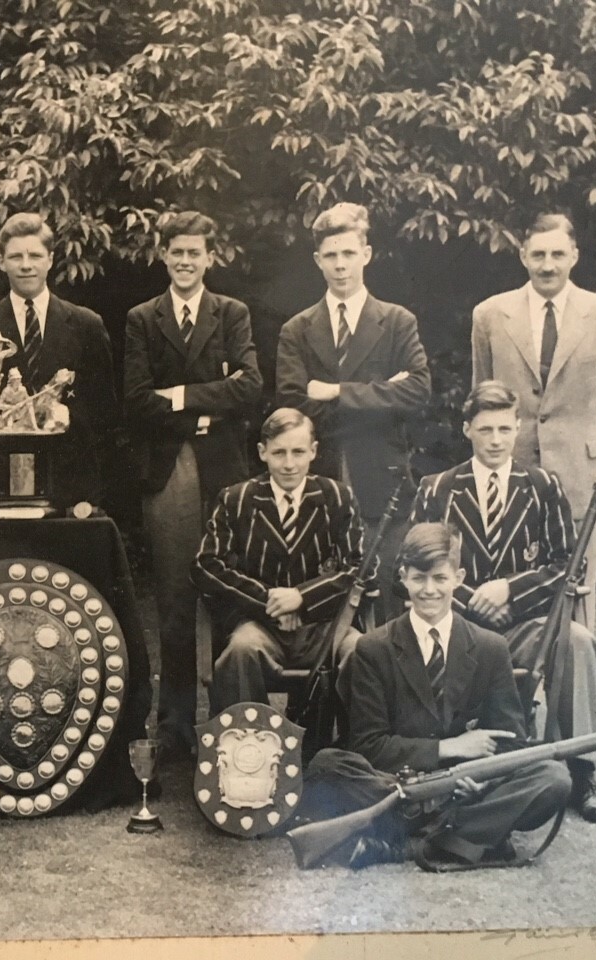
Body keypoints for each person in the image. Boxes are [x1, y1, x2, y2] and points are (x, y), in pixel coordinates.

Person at [301, 523, 572, 870]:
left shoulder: (491, 647)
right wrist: (450, 748)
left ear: (458, 577)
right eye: (419, 578)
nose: (429, 590)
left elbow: (511, 743)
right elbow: (368, 745)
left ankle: (405, 843)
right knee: (328, 766)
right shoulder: (373, 649)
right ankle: (466, 836)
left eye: (440, 579)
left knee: (552, 778)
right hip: (395, 783)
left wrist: (479, 778)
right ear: (403, 577)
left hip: (465, 790)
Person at [408, 380, 596, 823]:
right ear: (467, 430)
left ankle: (581, 773)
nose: (496, 440)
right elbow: (411, 562)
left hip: (523, 625)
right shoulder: (437, 488)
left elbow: (566, 564)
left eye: (504, 429)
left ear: (518, 428)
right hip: (456, 624)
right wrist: (471, 597)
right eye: (485, 430)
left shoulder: (543, 486)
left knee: (576, 640)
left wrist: (509, 590)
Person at [123, 210, 262, 756]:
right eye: (176, 252)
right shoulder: (142, 318)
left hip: (225, 469)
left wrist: (176, 397)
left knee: (229, 592)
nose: (185, 261)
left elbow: (249, 387)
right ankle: (176, 729)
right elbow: (135, 399)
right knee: (177, 598)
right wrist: (207, 401)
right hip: (168, 468)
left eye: (194, 252)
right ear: (163, 255)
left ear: (210, 256)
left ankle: (232, 723)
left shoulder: (232, 313)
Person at [472, 212, 596, 627]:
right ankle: (514, 688)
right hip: (510, 475)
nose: (548, 265)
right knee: (507, 593)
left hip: (580, 477)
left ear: (574, 256)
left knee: (577, 597)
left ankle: (571, 690)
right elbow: (484, 397)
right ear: (523, 255)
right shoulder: (490, 314)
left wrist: (580, 441)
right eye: (538, 254)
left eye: (558, 254)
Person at [275, 202, 430, 613]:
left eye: (348, 253)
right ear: (317, 260)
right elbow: (293, 404)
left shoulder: (397, 322)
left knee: (389, 603)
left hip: (383, 480)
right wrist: (381, 394)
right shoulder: (297, 329)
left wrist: (335, 392)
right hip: (319, 476)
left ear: (366, 253)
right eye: (331, 255)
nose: (340, 265)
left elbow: (417, 393)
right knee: (324, 603)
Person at [192, 408, 367, 717]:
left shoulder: (337, 497)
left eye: (298, 452)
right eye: (279, 452)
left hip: (324, 627)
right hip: (260, 626)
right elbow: (207, 565)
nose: (289, 464)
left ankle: (354, 753)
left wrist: (302, 598)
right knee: (241, 650)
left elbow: (360, 567)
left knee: (360, 651)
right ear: (262, 452)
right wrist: (270, 601)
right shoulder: (236, 499)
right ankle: (248, 749)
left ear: (313, 451)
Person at [0, 212, 117, 507]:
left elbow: (105, 412)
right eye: (15, 257)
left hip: (69, 485)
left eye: (35, 255)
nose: (26, 265)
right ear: (1, 262)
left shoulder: (86, 325)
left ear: (50, 259)